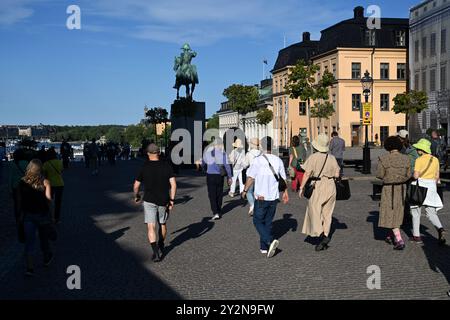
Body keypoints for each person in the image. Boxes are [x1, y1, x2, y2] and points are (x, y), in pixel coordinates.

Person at [243, 136, 289, 258]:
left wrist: (245, 190)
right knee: (268, 222)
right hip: (273, 197)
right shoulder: (278, 160)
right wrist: (285, 193)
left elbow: (251, 178)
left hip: (261, 197)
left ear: (262, 146)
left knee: (257, 220)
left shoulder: (257, 161)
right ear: (272, 146)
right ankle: (264, 247)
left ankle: (269, 240)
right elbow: (283, 179)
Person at [133, 143, 177, 262]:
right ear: (158, 153)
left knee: (151, 225)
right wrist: (172, 200)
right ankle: (161, 243)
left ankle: (155, 251)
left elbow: (136, 185)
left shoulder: (144, 167)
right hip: (164, 199)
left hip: (149, 199)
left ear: (148, 154)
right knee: (162, 223)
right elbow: (173, 185)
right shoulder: (166, 166)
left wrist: (136, 195)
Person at [299, 133, 340, 251]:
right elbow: (337, 174)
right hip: (331, 186)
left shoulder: (313, 157)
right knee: (327, 214)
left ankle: (321, 235)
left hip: (319, 185)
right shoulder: (332, 158)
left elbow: (307, 173)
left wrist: (301, 187)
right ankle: (326, 236)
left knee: (314, 211)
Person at [17, 159, 54, 276]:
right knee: (44, 239)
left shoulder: (22, 182)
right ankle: (46, 258)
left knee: (29, 242)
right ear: (40, 168)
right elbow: (49, 201)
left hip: (28, 215)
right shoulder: (45, 182)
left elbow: (19, 201)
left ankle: (30, 268)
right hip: (42, 215)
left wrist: (19, 215)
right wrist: (51, 216)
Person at [376, 136, 411, 250]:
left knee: (389, 211)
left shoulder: (383, 158)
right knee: (397, 211)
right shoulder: (406, 159)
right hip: (401, 188)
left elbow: (380, 174)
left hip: (388, 188)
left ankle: (399, 239)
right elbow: (408, 174)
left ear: (388, 146)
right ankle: (390, 235)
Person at [409, 139, 446, 245]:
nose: (416, 150)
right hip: (431, 188)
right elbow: (437, 176)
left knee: (416, 212)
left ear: (421, 150)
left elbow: (416, 176)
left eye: (417, 149)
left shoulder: (419, 160)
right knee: (431, 213)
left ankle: (416, 236)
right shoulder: (435, 160)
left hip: (420, 187)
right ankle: (440, 228)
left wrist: (412, 176)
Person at [202, 138, 232, 220]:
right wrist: (229, 176)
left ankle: (215, 212)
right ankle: (219, 209)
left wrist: (205, 169)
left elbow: (203, 164)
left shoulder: (207, 153)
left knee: (212, 194)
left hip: (210, 175)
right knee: (219, 193)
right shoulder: (223, 154)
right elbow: (227, 166)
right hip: (220, 176)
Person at [9, 149, 29, 240]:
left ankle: (18, 220)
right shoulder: (27, 163)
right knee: (26, 203)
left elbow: (10, 178)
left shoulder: (12, 164)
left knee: (17, 204)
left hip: (16, 187)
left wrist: (10, 189)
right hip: (26, 186)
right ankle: (26, 218)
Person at [43, 147, 64, 224]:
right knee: (58, 202)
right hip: (60, 183)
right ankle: (57, 218)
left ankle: (49, 217)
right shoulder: (59, 162)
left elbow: (45, 176)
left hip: (50, 185)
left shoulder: (46, 164)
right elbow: (61, 172)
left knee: (49, 202)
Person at [243, 138, 261, 216]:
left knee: (249, 191)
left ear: (251, 144)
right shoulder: (262, 153)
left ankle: (252, 204)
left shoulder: (249, 154)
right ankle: (257, 206)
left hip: (251, 175)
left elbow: (245, 165)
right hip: (260, 175)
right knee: (258, 191)